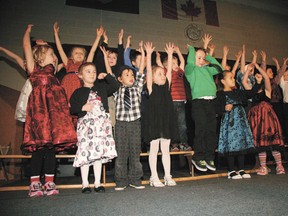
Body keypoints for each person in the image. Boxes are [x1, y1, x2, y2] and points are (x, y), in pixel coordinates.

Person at [21, 24, 77, 197]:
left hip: (54, 115)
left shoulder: (54, 75)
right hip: (39, 114)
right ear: (40, 59)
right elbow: (26, 48)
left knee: (51, 149)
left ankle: (50, 182)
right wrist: (28, 33)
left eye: (54, 55)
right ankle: (35, 183)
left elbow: (63, 61)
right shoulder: (34, 71)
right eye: (51, 55)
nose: (54, 58)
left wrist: (50, 47)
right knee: (39, 149)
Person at [69, 59, 119, 193]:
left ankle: (97, 183)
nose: (92, 74)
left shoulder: (101, 87)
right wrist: (82, 107)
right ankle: (85, 184)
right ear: (80, 75)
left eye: (94, 72)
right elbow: (72, 108)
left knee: (98, 154)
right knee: (86, 154)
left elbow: (115, 86)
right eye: (88, 71)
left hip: (101, 126)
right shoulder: (78, 92)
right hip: (86, 127)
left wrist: (107, 76)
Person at [184, 34, 223, 172]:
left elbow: (219, 68)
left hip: (211, 103)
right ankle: (198, 156)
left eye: (203, 58)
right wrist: (192, 51)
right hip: (198, 103)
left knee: (211, 131)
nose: (201, 60)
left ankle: (209, 157)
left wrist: (207, 57)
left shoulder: (208, 69)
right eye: (198, 58)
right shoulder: (190, 71)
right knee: (200, 129)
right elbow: (190, 62)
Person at [216, 66, 262, 179]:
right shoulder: (221, 94)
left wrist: (258, 82)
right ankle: (231, 171)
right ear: (223, 81)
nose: (233, 80)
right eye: (230, 78)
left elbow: (250, 93)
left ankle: (241, 169)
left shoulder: (237, 92)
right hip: (229, 123)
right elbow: (216, 109)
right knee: (231, 144)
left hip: (240, 121)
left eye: (233, 78)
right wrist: (224, 109)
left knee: (241, 143)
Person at [143, 42, 178, 187]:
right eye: (159, 74)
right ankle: (154, 177)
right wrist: (149, 55)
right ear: (152, 78)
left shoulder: (166, 87)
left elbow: (169, 71)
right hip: (154, 123)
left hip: (166, 122)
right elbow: (149, 73)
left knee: (166, 151)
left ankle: (168, 176)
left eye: (163, 74)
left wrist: (170, 55)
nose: (163, 75)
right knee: (153, 150)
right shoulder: (151, 88)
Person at [243, 63, 286, 175]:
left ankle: (279, 166)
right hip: (256, 119)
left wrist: (258, 68)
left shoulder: (267, 90)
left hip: (267, 118)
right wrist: (248, 70)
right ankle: (263, 167)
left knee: (273, 142)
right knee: (260, 144)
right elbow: (244, 82)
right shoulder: (252, 91)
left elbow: (267, 77)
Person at [113, 42, 145, 191]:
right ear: (119, 79)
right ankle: (120, 180)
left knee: (134, 152)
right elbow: (110, 74)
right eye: (126, 75)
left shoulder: (137, 88)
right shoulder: (116, 90)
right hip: (120, 124)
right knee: (121, 152)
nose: (131, 76)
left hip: (134, 123)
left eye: (131, 74)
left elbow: (141, 70)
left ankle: (135, 179)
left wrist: (144, 54)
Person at [53, 22, 103, 101]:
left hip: (79, 84)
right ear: (71, 57)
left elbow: (92, 51)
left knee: (79, 101)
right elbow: (60, 50)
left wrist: (98, 37)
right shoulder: (68, 63)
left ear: (85, 58)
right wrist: (56, 34)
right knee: (65, 101)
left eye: (81, 53)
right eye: (76, 53)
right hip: (67, 84)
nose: (79, 54)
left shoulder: (85, 65)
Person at [156, 46, 191, 152]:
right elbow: (159, 64)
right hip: (170, 102)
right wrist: (158, 57)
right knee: (172, 124)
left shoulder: (180, 72)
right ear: (167, 65)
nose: (176, 65)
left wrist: (179, 51)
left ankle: (183, 143)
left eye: (176, 63)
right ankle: (174, 144)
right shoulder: (166, 72)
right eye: (173, 63)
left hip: (180, 102)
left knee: (182, 125)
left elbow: (183, 61)